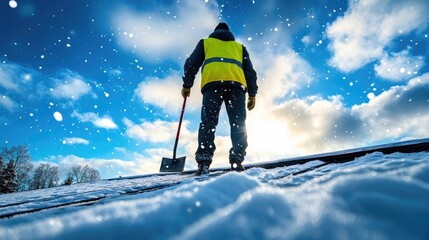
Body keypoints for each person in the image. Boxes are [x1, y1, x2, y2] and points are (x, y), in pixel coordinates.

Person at [181, 22, 258, 175]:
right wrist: (253, 94)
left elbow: (191, 64)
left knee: (208, 123)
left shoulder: (206, 43)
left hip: (213, 84)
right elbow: (250, 71)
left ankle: (204, 162)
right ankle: (237, 161)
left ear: (215, 32)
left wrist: (187, 84)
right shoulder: (239, 47)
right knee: (238, 123)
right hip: (236, 86)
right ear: (229, 33)